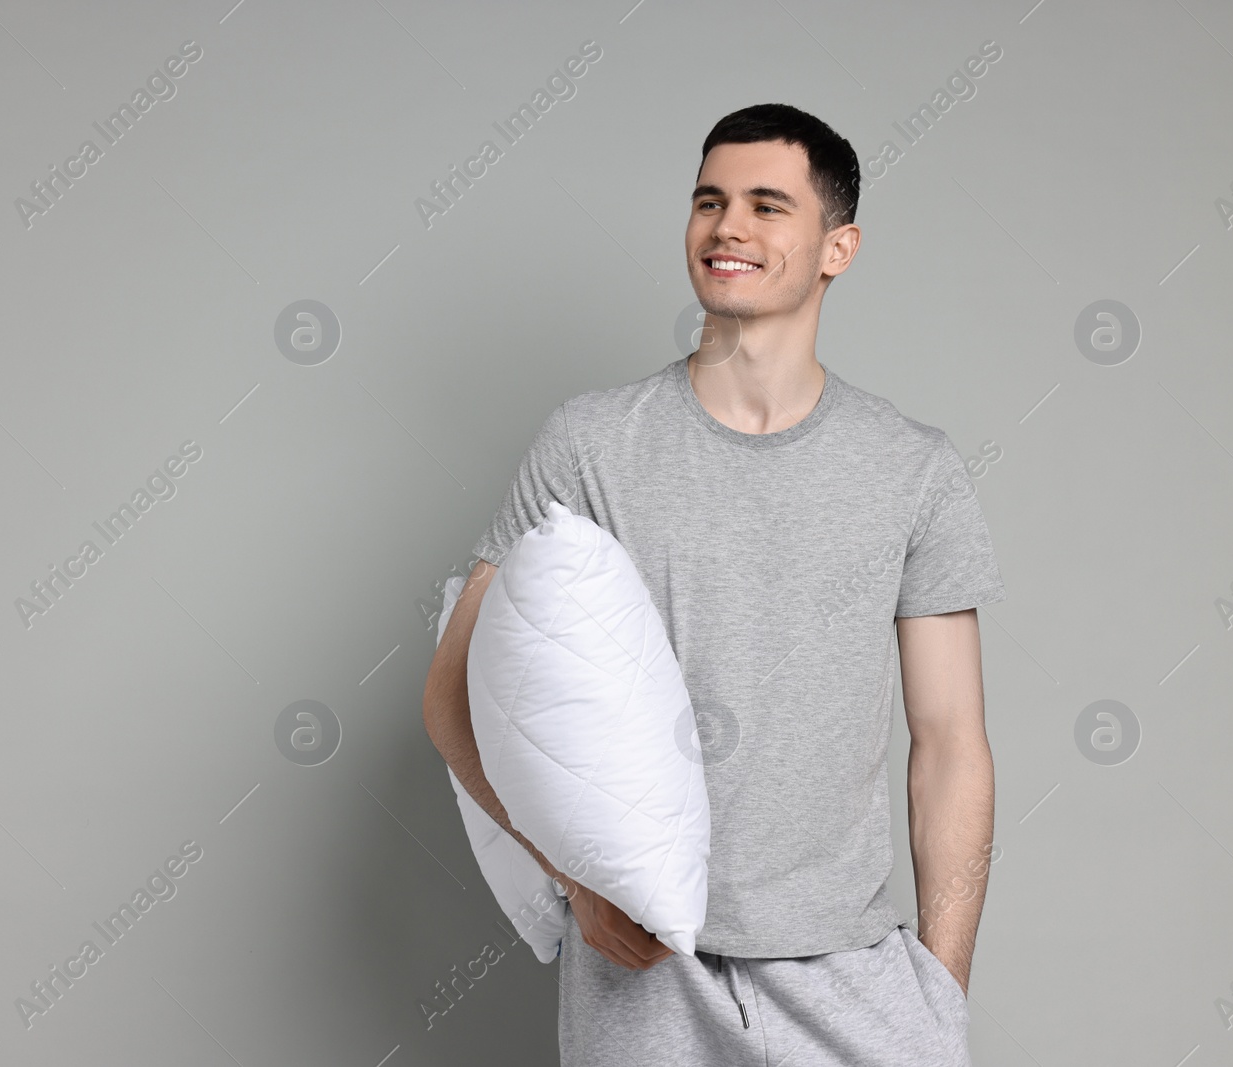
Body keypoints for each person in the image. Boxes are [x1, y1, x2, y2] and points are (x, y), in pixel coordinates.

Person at [422, 102, 1004, 1066]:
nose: (727, 226)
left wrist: (940, 990)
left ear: (837, 246)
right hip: (648, 976)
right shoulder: (591, 443)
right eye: (708, 200)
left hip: (851, 980)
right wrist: (576, 881)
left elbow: (950, 747)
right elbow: (452, 699)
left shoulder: (914, 468)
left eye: (768, 205)